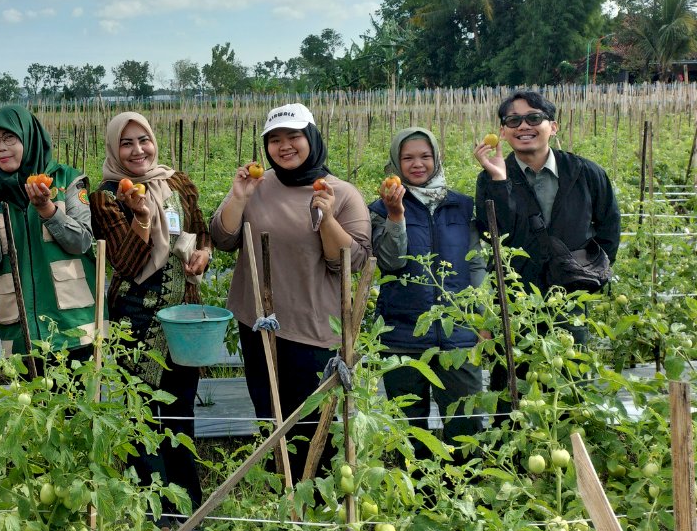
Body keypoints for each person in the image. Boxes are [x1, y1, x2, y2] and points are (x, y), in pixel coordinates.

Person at [209, 103, 371, 483]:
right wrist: (238, 197)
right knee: (271, 418)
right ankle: (284, 503)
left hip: (312, 332)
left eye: (293, 137)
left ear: (311, 138)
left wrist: (327, 218)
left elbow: (352, 261)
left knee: (314, 427)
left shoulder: (342, 193)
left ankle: (313, 506)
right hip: (259, 326)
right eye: (274, 140)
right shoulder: (257, 187)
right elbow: (223, 238)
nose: (284, 146)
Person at [88, 112, 211, 514]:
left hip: (184, 316)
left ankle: (187, 503)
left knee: (179, 410)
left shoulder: (178, 182)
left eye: (144, 140)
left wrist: (203, 254)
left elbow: (201, 230)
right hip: (134, 318)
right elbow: (123, 263)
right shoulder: (107, 195)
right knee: (139, 413)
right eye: (126, 143)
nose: (138, 150)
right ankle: (149, 507)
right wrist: (141, 217)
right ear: (113, 149)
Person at [473, 91, 620, 407]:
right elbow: (492, 234)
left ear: (553, 126)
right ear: (503, 131)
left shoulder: (586, 173)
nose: (523, 125)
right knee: (512, 394)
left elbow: (609, 230)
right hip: (515, 304)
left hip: (569, 302)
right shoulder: (490, 178)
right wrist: (499, 180)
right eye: (513, 120)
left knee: (570, 389)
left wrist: (590, 277)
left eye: (534, 118)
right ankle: (511, 457)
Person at [369, 128, 486, 450]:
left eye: (425, 156)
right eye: (408, 158)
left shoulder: (461, 206)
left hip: (458, 334)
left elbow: (476, 265)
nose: (417, 164)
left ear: (436, 158)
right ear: (396, 162)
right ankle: (419, 490)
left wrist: (480, 318)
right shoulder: (379, 209)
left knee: (466, 420)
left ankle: (464, 488)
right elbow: (391, 263)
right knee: (410, 426)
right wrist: (396, 215)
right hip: (403, 335)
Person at [0, 105, 100, 366]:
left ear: (29, 137)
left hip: (72, 326)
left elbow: (82, 241)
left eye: (9, 138)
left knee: (76, 402)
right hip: (19, 329)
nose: (0, 148)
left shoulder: (66, 181)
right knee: (31, 405)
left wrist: (47, 209)